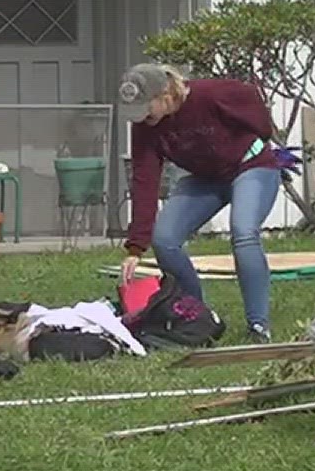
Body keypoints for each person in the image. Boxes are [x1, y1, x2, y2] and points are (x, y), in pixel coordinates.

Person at [118, 63, 283, 343]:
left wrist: (262, 136)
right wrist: (136, 247)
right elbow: (144, 182)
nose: (143, 117)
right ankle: (197, 317)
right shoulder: (145, 128)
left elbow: (251, 99)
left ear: (165, 95)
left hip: (251, 166)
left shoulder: (210, 94)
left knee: (243, 232)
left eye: (148, 108)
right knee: (165, 239)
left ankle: (258, 326)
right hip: (207, 178)